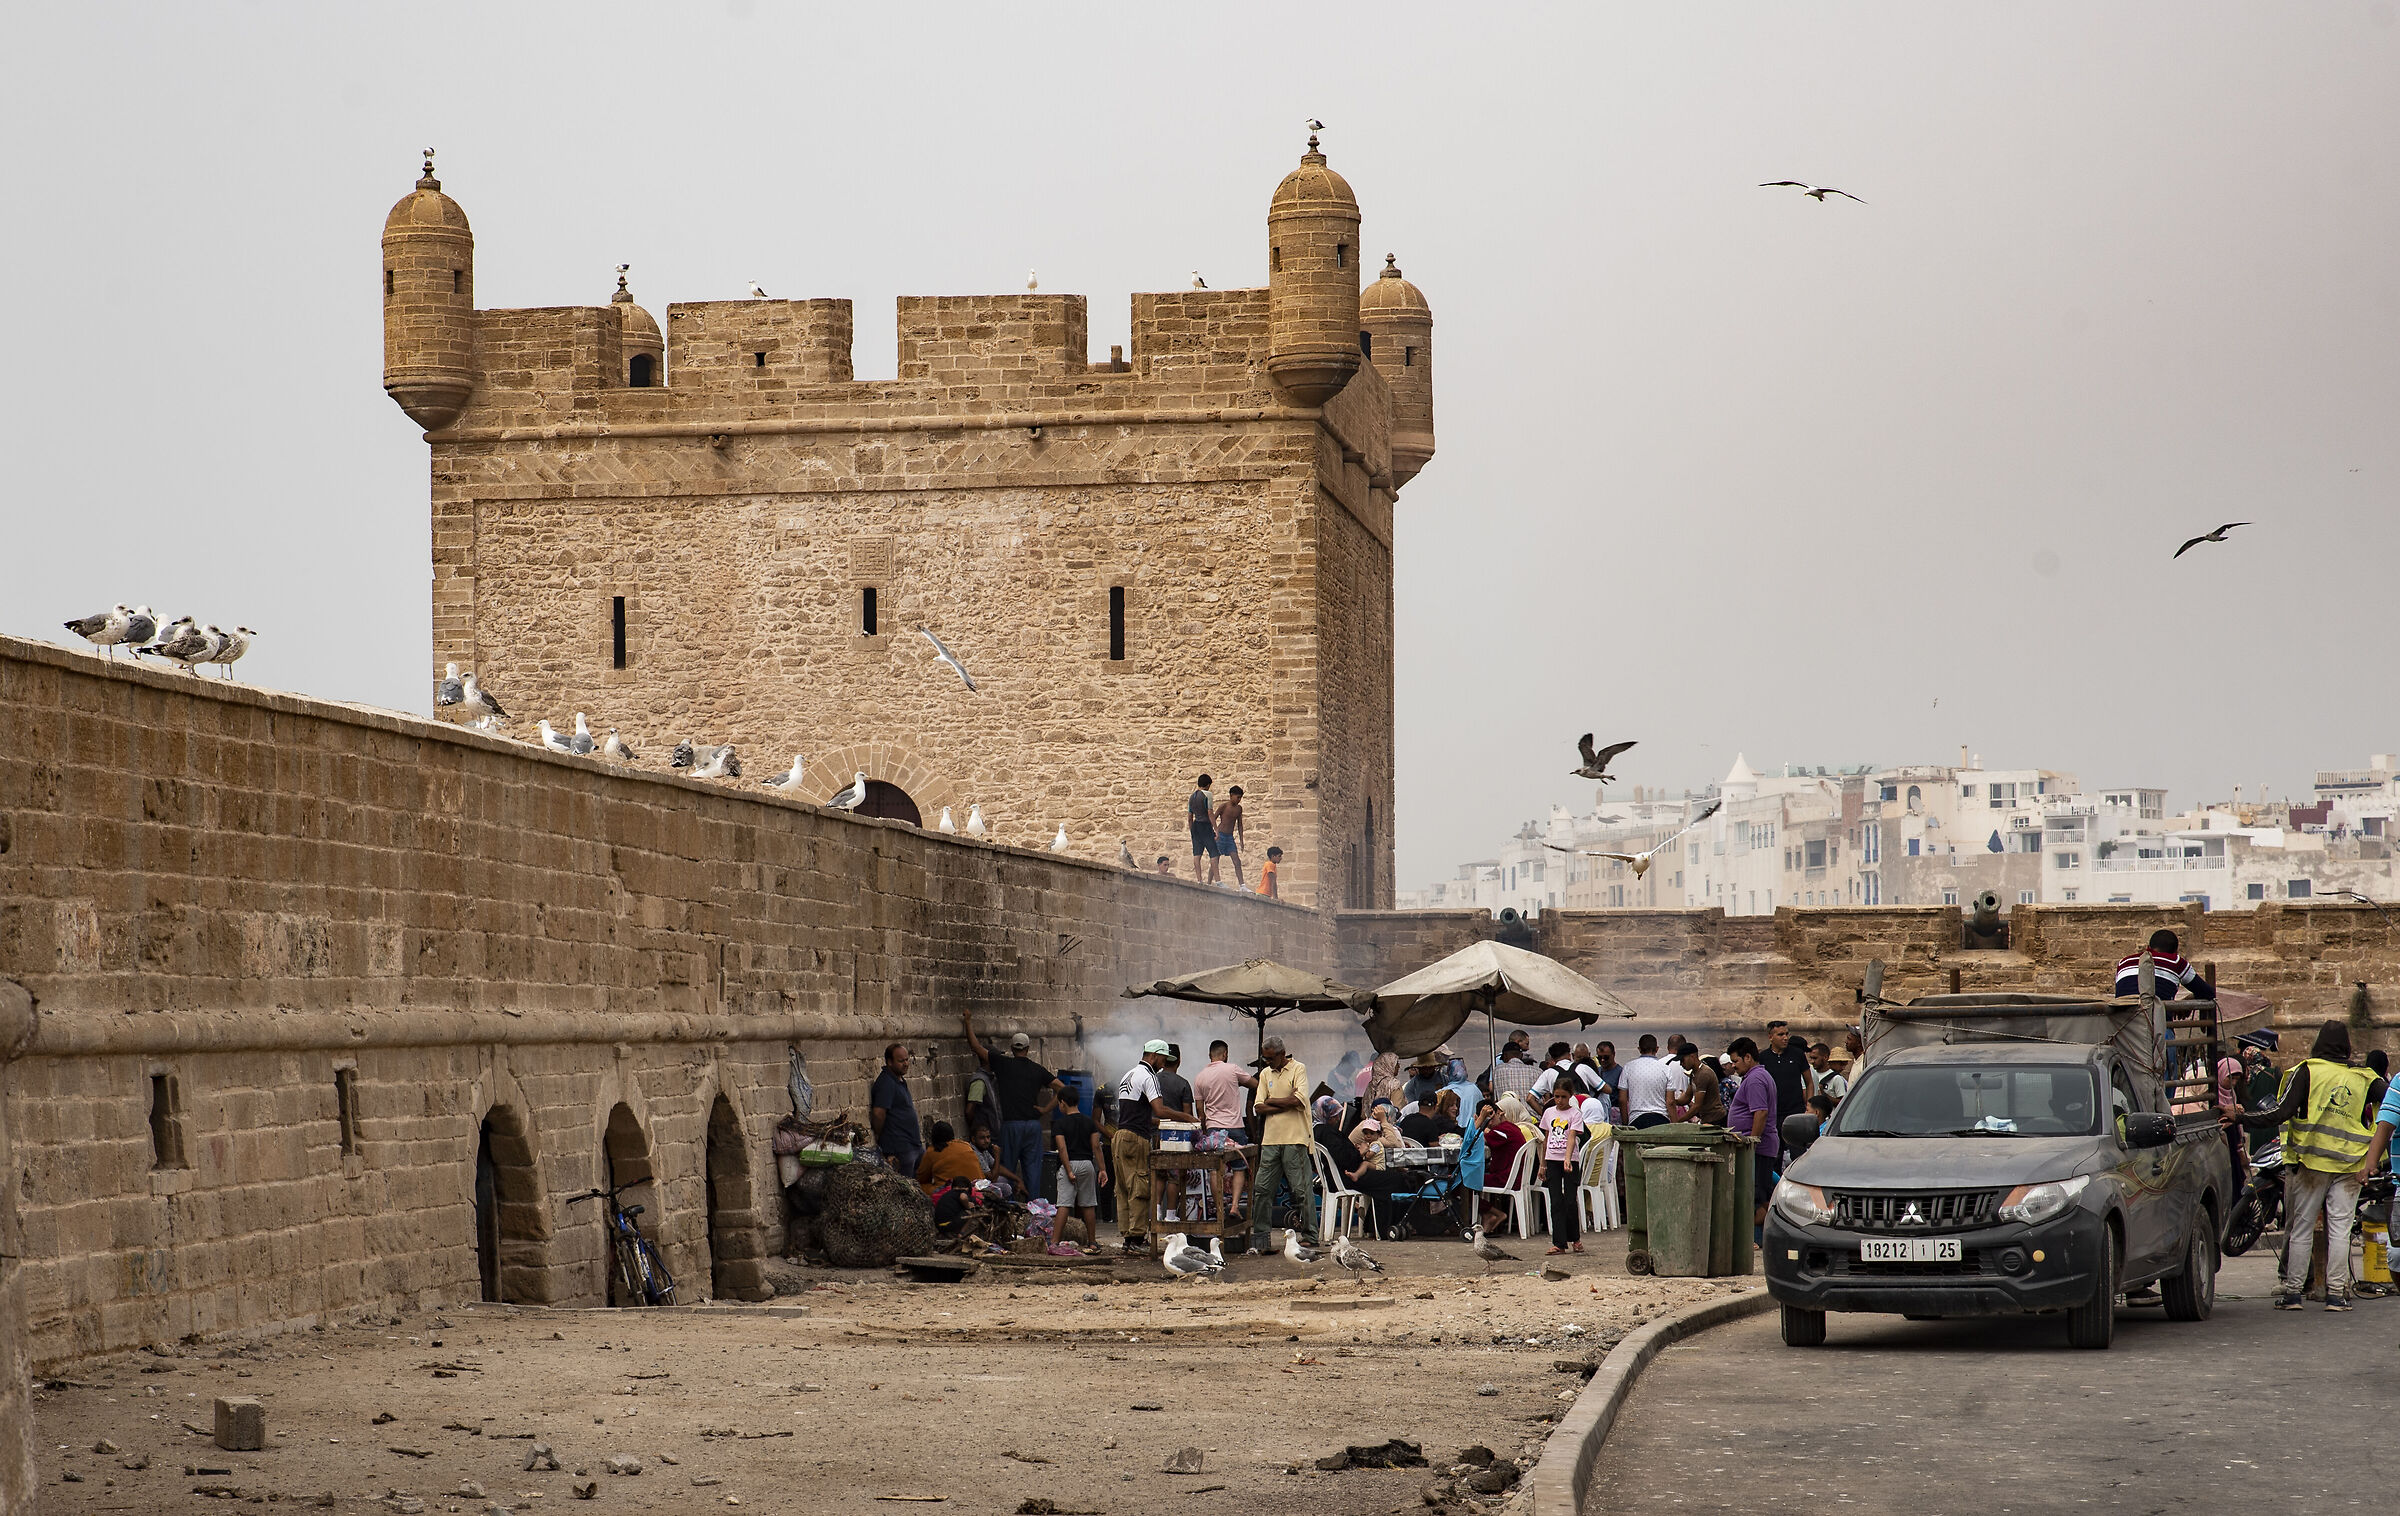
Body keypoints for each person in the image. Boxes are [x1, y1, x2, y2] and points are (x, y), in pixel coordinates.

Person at [2226, 1019, 2387, 1310]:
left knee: (2301, 1227)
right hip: (2350, 1164)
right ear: (2347, 1046)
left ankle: (2292, 1294)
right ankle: (2337, 1295)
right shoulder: (2364, 1077)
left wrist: (2240, 1117)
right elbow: (2392, 1107)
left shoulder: (2306, 1071)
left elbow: (2279, 1113)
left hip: (2311, 1162)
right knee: (2339, 1229)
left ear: (2318, 1044)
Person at [961, 1011, 1064, 1216]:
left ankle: (1007, 1212)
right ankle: (1034, 1214)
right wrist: (1045, 1109)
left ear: (1011, 1048)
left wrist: (968, 1021)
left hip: (1011, 1125)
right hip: (1033, 1126)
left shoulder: (1002, 1063)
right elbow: (1061, 1088)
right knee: (1033, 1172)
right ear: (1028, 1048)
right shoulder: (1037, 1069)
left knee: (1006, 1169)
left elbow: (976, 1047)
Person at [1250, 1036, 1315, 1255]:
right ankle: (1261, 1238)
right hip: (1270, 1140)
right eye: (1264, 1058)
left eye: (1269, 1058)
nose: (1267, 1062)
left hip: (1295, 1138)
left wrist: (1273, 1101)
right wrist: (1283, 1103)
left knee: (1302, 1190)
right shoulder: (1265, 1074)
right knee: (1262, 1190)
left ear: (1281, 1054)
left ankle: (1310, 1236)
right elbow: (1258, 1107)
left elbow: (1298, 1100)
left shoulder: (1299, 1068)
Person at [1112, 1040, 1176, 1251]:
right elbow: (1159, 1110)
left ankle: (1128, 1238)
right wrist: (1186, 1117)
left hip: (1120, 1136)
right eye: (1164, 1059)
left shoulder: (1128, 1075)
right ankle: (1138, 1239)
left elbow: (1138, 1113)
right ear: (1155, 1055)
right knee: (1140, 1186)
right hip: (1136, 1139)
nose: (1164, 1064)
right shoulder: (1149, 1076)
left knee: (1123, 1188)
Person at [1191, 1039, 1256, 1217]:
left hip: (1213, 1130)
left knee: (1214, 1169)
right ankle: (1234, 1206)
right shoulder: (1232, 1069)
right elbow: (1255, 1084)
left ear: (1209, 1055)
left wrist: (1205, 1130)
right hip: (1235, 1127)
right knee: (1239, 1168)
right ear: (1225, 1054)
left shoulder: (1200, 1077)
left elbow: (1199, 1111)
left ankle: (1219, 1208)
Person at [1725, 1037, 1781, 1241]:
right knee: (1760, 1195)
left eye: (1735, 1061)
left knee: (1756, 1199)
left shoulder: (1756, 1079)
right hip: (1760, 1147)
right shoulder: (1756, 1076)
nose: (1733, 1066)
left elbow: (1760, 1113)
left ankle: (1757, 1239)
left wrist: (1752, 1142)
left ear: (1748, 1057)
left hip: (1757, 1148)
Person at [1049, 1086, 1108, 1250]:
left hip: (1070, 1164)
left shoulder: (1059, 1124)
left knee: (1064, 1204)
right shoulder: (1089, 1122)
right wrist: (1102, 1169)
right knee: (1088, 1204)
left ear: (1062, 1103)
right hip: (1088, 1165)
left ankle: (1054, 1242)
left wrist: (1068, 1170)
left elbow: (1062, 1149)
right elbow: (1096, 1147)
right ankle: (1092, 1242)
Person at [1538, 1082, 1587, 1256]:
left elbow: (1572, 1136)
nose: (1559, 1100)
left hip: (1569, 1160)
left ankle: (1575, 1238)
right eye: (1556, 1096)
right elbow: (1546, 1138)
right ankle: (1559, 1243)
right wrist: (1542, 1164)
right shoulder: (1549, 1113)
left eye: (1563, 1097)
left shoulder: (1575, 1114)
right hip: (1552, 1160)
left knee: (1570, 1201)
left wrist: (1567, 1159)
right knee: (1556, 1201)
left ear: (1570, 1096)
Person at [870, 1042, 923, 1181]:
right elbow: (878, 1113)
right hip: (901, 1147)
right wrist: (880, 1134)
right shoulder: (886, 1083)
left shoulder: (899, 1079)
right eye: (901, 1061)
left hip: (913, 1144)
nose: (906, 1063)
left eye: (907, 1059)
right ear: (889, 1062)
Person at [2113, 927, 2210, 1000]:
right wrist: (2189, 999)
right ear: (2175, 952)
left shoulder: (2124, 962)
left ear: (2148, 947)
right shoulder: (2175, 961)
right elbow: (2207, 992)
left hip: (2121, 1023)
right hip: (2158, 1023)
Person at [1758, 1020, 1816, 1123]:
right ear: (1770, 1037)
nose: (1785, 1038)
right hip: (1773, 1113)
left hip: (1796, 1112)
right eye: (1780, 1035)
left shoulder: (1797, 1054)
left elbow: (1809, 1083)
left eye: (1786, 1034)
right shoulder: (1763, 1057)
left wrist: (1809, 1105)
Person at [916, 1121, 985, 1198]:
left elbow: (921, 1178)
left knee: (920, 1187)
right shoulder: (965, 1145)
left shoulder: (932, 1151)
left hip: (952, 1191)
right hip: (979, 1187)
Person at [1620, 1035, 1675, 1129]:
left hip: (1636, 1120)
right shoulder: (1666, 1069)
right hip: (1661, 1120)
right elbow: (1670, 1102)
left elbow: (1622, 1100)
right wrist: (1675, 1125)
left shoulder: (1628, 1067)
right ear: (1657, 1049)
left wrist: (1625, 1124)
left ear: (1639, 1049)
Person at [1672, 1044, 1726, 1126]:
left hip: (1716, 1120)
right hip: (1706, 1119)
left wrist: (1678, 1121)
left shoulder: (1704, 1074)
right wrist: (1672, 1101)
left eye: (1682, 1060)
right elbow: (1686, 1098)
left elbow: (1697, 1106)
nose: (1681, 1064)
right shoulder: (1694, 1074)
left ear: (1692, 1056)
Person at [968, 1123, 1025, 1199]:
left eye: (988, 1137)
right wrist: (997, 1155)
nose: (987, 1141)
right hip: (973, 1186)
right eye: (982, 1138)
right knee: (1006, 1188)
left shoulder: (982, 1149)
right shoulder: (975, 1152)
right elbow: (992, 1178)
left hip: (982, 1182)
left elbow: (998, 1168)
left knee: (1003, 1179)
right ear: (973, 1139)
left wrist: (1018, 1180)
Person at [1210, 784, 1247, 888]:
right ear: (1231, 795)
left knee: (1237, 861)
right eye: (1238, 797)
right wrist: (1215, 831)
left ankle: (1242, 885)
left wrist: (1241, 840)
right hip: (1221, 836)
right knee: (1215, 860)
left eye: (1240, 797)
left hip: (1230, 837)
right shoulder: (1224, 806)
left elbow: (1239, 824)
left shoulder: (1239, 809)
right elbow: (1214, 818)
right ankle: (1208, 883)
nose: (1239, 800)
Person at [1155, 1045, 1198, 1125]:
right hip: (1176, 1133)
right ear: (1179, 1061)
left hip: (1152, 1131)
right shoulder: (1183, 1084)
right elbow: (1188, 1116)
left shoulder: (1152, 1079)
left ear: (1163, 1061)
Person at [1186, 774, 1215, 883]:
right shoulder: (1208, 795)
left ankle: (1199, 879)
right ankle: (1215, 880)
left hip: (1195, 826)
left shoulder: (1192, 797)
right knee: (1214, 853)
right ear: (1208, 785)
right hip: (1205, 825)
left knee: (1197, 854)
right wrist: (1215, 828)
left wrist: (1191, 830)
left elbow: (1189, 817)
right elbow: (1210, 812)